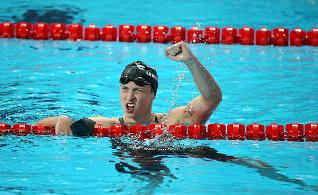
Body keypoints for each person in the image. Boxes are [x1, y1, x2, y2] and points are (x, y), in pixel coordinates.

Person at [37, 41, 222, 135]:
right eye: (125, 89)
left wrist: (190, 61)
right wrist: (62, 120)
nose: (129, 96)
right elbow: (52, 124)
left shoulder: (170, 123)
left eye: (138, 90)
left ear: (153, 95)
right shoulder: (108, 125)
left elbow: (212, 98)